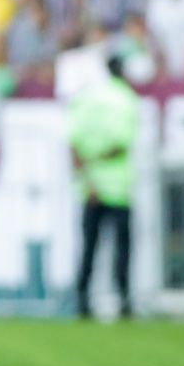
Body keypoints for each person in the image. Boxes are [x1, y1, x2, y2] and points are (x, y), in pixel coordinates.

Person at [69, 55, 140, 319]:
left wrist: (88, 177)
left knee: (90, 246)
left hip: (90, 187)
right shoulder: (127, 99)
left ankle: (82, 299)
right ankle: (124, 299)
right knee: (122, 248)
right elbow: (122, 143)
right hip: (119, 188)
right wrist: (98, 160)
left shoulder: (85, 99)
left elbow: (73, 143)